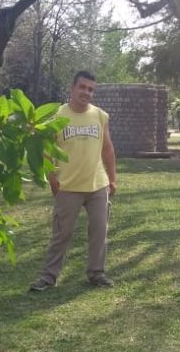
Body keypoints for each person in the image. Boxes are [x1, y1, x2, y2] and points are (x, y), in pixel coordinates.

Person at [29, 71, 118, 291]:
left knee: (99, 231)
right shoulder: (57, 116)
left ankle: (96, 273)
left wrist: (112, 178)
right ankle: (48, 277)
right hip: (67, 186)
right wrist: (51, 177)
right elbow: (47, 151)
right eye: (82, 87)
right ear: (72, 88)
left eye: (90, 89)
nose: (86, 92)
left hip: (97, 185)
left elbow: (107, 148)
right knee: (62, 233)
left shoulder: (100, 116)